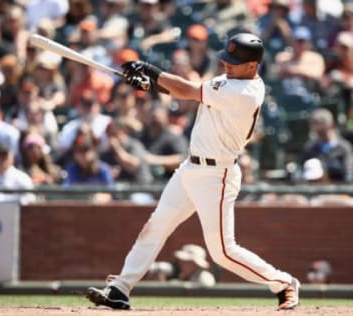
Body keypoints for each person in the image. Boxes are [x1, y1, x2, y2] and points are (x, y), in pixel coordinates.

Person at [86, 32, 300, 311]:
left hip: (217, 175)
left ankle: (283, 283)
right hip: (190, 168)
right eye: (228, 58)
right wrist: (151, 83)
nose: (227, 64)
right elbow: (186, 90)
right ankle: (120, 288)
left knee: (222, 252)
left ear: (253, 66)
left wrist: (151, 71)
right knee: (156, 226)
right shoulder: (231, 80)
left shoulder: (245, 92)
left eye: (235, 61)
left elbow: (187, 91)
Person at [106, 244, 216, 287]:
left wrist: (169, 285)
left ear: (196, 264)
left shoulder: (205, 277)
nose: (182, 264)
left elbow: (202, 289)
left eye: (188, 262)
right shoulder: (176, 273)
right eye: (182, 261)